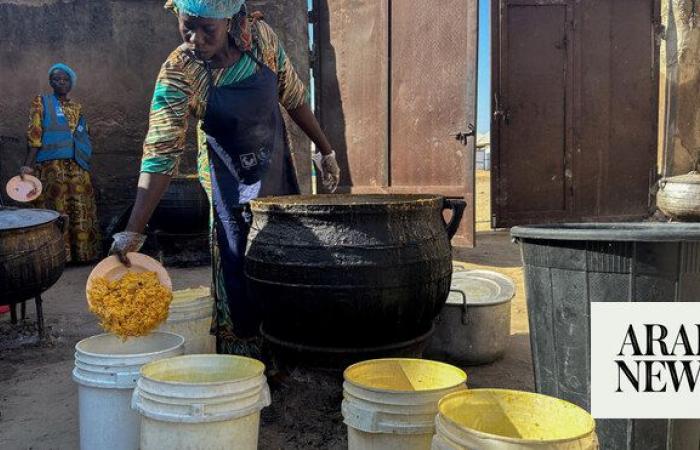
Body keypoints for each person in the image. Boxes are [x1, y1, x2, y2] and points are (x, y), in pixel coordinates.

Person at [109, 0, 340, 355]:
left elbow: (292, 96)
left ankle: (288, 351)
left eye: (207, 30)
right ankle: (244, 359)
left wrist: (326, 151)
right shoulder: (180, 72)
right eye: (187, 26)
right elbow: (159, 154)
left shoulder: (261, 40)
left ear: (230, 21)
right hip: (226, 178)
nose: (195, 39)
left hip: (274, 167)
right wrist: (133, 231)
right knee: (236, 259)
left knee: (285, 256)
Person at [20, 63, 102, 263]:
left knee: (80, 209)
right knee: (57, 209)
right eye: (56, 79)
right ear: (51, 82)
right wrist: (28, 165)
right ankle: (58, 256)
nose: (61, 83)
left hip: (77, 167)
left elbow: (83, 134)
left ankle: (82, 255)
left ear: (71, 82)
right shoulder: (41, 102)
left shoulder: (77, 108)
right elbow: (35, 133)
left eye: (65, 79)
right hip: (52, 169)